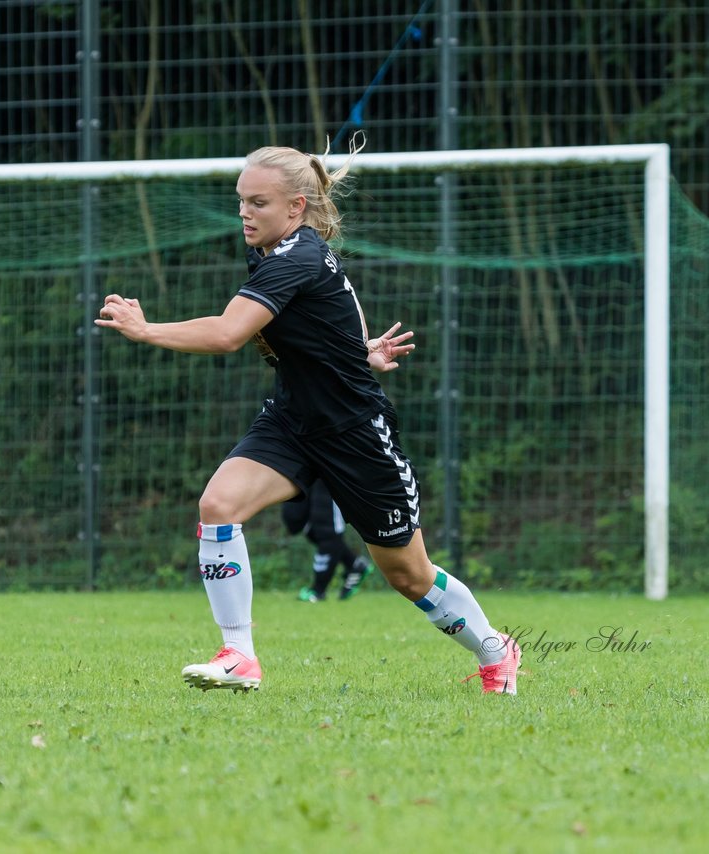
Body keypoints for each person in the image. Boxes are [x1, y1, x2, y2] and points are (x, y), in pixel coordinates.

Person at [95, 137, 521, 695]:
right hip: (292, 420)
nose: (245, 213)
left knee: (407, 574)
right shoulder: (276, 251)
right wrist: (359, 353)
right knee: (219, 504)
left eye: (259, 203)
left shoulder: (296, 256)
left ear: (296, 207)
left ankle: (496, 650)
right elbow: (336, 308)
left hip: (354, 433)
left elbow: (228, 334)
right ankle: (239, 654)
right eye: (241, 200)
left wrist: (146, 329)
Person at [281, 478, 374, 602]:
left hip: (329, 470)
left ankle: (318, 591)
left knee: (326, 529)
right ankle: (353, 564)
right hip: (306, 465)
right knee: (297, 519)